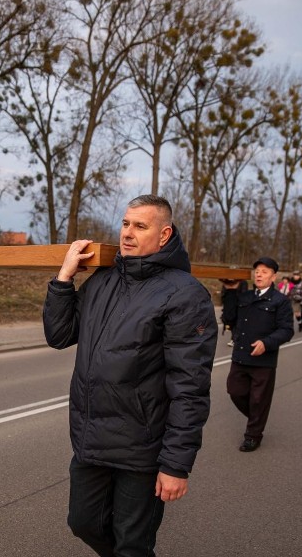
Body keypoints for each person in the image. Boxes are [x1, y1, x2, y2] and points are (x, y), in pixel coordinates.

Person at [43, 195, 217, 557]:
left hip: (143, 447)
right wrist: (64, 278)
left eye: (140, 226)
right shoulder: (102, 282)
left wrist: (175, 465)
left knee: (132, 544)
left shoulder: (185, 295)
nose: (128, 233)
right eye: (125, 224)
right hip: (92, 438)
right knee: (83, 523)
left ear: (164, 234)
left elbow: (190, 388)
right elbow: (59, 336)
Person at [224, 257, 294, 452]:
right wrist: (230, 291)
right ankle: (257, 417)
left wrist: (267, 343)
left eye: (264, 271)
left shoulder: (280, 301)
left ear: (274, 276)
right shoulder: (245, 297)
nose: (259, 274)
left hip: (263, 360)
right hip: (241, 356)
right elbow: (229, 318)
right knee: (235, 391)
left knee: (258, 399)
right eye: (257, 271)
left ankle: (253, 435)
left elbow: (287, 330)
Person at [221, 278, 249, 347]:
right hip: (229, 306)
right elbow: (223, 294)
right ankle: (234, 338)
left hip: (238, 305)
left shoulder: (243, 282)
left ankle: (234, 339)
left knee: (237, 323)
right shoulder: (226, 281)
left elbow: (244, 293)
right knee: (231, 322)